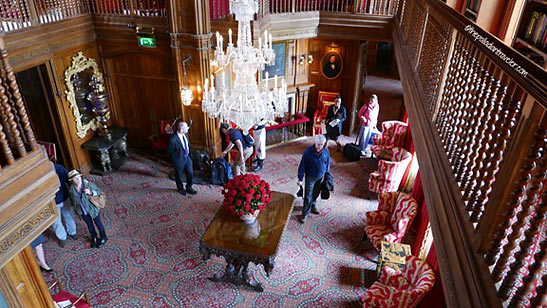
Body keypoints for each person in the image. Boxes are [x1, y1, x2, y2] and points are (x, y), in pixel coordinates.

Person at [68, 170, 108, 248]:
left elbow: (99, 192)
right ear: (71, 181)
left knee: (98, 223)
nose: (78, 180)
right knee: (89, 225)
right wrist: (76, 209)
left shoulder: (87, 184)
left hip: (92, 209)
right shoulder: (71, 190)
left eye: (78, 177)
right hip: (83, 211)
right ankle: (94, 237)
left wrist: (91, 192)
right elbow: (72, 201)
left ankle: (104, 237)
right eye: (75, 179)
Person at [297, 134, 331, 223]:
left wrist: (327, 173)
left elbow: (327, 162)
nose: (320, 146)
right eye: (318, 144)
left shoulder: (326, 150)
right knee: (308, 195)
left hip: (321, 177)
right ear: (315, 143)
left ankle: (313, 205)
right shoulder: (308, 152)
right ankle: (305, 214)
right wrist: (300, 178)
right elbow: (302, 166)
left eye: (322, 144)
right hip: (310, 177)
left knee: (316, 193)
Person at [166, 121, 197, 195]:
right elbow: (169, 152)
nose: (188, 128)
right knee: (179, 175)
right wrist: (174, 160)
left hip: (187, 157)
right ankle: (180, 188)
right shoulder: (173, 140)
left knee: (190, 173)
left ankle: (189, 187)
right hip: (178, 159)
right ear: (181, 130)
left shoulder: (185, 134)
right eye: (186, 127)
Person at [51, 162, 77, 248]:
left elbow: (68, 179)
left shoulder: (58, 168)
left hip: (64, 197)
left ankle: (72, 232)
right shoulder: (41, 175)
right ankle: (62, 237)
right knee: (56, 220)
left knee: (68, 215)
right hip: (52, 202)